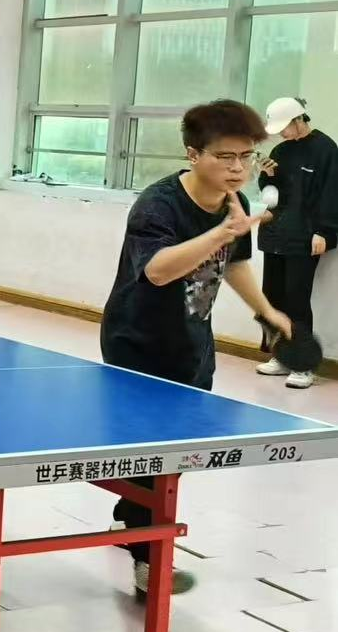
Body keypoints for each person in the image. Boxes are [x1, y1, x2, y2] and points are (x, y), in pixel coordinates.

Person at [101, 100, 293, 597]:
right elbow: (157, 270)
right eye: (225, 156)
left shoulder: (235, 203)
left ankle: (129, 519)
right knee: (150, 454)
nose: (238, 168)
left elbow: (234, 263)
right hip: (137, 344)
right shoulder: (158, 205)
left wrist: (265, 311)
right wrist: (220, 232)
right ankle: (149, 561)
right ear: (193, 154)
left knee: (171, 457)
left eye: (247, 157)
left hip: (191, 344)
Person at [256, 96, 337, 389]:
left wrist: (325, 231)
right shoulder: (280, 150)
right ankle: (281, 356)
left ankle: (303, 365)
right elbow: (272, 194)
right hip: (275, 234)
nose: (280, 133)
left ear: (298, 120)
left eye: (284, 127)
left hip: (304, 237)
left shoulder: (326, 150)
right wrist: (267, 177)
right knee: (272, 298)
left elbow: (332, 194)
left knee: (297, 300)